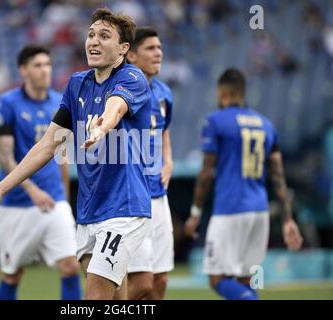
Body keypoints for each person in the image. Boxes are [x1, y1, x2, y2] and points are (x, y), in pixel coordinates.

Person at [0, 8, 153, 300]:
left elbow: (115, 107)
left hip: (125, 208)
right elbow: (47, 145)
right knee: (116, 296)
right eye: (91, 34)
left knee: (94, 297)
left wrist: (101, 128)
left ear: (123, 49)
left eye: (104, 36)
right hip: (89, 210)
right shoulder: (76, 84)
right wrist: (1, 188)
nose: (93, 41)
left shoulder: (132, 77)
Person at [183, 68, 303, 300]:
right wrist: (288, 219)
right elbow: (278, 176)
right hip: (259, 211)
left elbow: (206, 172)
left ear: (223, 93)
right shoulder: (266, 125)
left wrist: (196, 212)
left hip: (231, 208)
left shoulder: (215, 121)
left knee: (217, 278)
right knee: (245, 279)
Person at [0, 45, 81, 300]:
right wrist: (32, 190)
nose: (45, 70)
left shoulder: (59, 102)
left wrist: (64, 198)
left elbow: (62, 156)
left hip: (54, 201)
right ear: (23, 70)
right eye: (38, 65)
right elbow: (5, 157)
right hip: (17, 204)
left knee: (71, 265)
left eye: (48, 64)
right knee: (12, 274)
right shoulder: (7, 103)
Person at [125, 27, 174, 300]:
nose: (159, 53)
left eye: (160, 48)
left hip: (159, 193)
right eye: (151, 48)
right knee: (141, 283)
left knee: (160, 280)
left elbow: (164, 131)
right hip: (133, 195)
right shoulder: (124, 92)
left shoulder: (165, 93)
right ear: (131, 55)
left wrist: (169, 161)